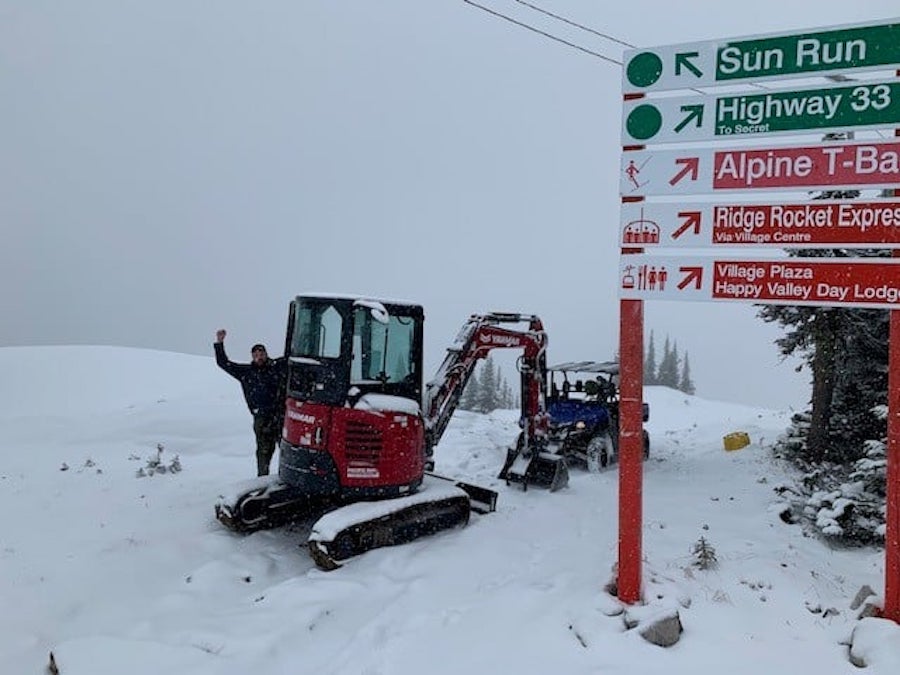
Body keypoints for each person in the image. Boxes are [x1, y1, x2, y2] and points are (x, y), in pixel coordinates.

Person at [214, 329, 287, 476]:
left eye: (261, 354)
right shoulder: (246, 372)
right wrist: (219, 343)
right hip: (261, 418)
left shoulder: (277, 367)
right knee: (263, 452)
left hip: (280, 416)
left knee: (286, 450)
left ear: (266, 354)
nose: (259, 357)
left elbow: (293, 357)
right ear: (252, 357)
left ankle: (286, 477)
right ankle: (262, 479)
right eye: (256, 355)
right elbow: (223, 363)